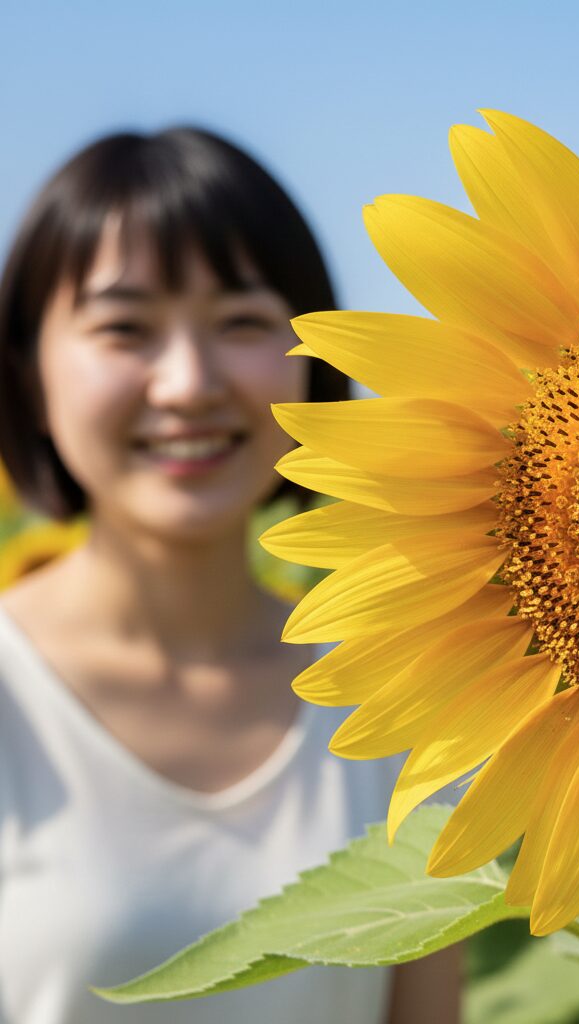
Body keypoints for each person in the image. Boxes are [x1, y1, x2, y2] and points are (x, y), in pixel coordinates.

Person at [0, 128, 460, 1024]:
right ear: (30, 374)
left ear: (315, 359)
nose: (188, 383)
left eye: (243, 323)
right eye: (124, 328)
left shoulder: (397, 696)